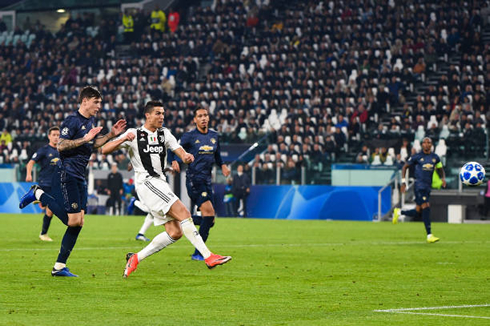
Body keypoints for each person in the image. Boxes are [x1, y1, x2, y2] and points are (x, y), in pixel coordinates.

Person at [101, 100, 231, 278]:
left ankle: (136, 258)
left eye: (163, 113)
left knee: (175, 232)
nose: (162, 117)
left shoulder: (164, 133)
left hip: (160, 182)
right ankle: (208, 257)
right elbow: (104, 150)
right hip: (147, 183)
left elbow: (179, 150)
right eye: (158, 113)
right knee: (184, 212)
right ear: (147, 115)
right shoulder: (134, 133)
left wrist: (185, 157)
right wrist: (123, 138)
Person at [19, 86, 128, 277]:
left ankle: (59, 266)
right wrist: (84, 138)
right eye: (96, 102)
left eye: (100, 102)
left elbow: (92, 145)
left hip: (80, 175)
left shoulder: (90, 121)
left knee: (79, 222)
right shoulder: (72, 120)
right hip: (67, 172)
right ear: (85, 101)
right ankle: (37, 193)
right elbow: (61, 145)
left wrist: (111, 135)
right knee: (73, 220)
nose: (99, 106)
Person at [171, 105, 230, 261]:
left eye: (205, 115)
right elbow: (177, 148)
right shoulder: (189, 136)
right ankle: (199, 253)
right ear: (195, 119)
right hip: (194, 180)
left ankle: (181, 220)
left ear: (208, 117)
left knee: (210, 221)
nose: (203, 118)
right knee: (209, 213)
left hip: (207, 180)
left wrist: (223, 165)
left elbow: (217, 154)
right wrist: (175, 160)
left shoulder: (214, 136)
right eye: (200, 116)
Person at [393, 137, 446, 243]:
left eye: (429, 142)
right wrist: (404, 182)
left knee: (418, 211)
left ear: (431, 145)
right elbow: (405, 167)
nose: (426, 144)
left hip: (427, 187)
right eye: (425, 142)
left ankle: (399, 212)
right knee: (426, 206)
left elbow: (440, 169)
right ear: (422, 145)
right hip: (419, 186)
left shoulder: (435, 158)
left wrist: (443, 178)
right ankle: (429, 235)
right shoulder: (417, 156)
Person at [25, 126, 61, 241]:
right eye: (54, 135)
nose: (56, 137)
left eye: (58, 135)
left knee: (51, 211)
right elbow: (30, 162)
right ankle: (38, 197)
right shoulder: (44, 150)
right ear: (49, 136)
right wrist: (29, 174)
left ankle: (43, 233)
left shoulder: (62, 151)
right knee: (51, 207)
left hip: (57, 184)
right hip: (45, 182)